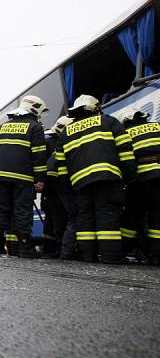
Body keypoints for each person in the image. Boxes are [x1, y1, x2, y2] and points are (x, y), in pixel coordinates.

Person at [55, 95, 136, 264]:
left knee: (85, 219)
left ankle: (88, 256)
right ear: (95, 108)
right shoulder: (108, 121)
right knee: (106, 215)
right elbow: (126, 151)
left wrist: (68, 187)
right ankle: (110, 257)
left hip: (79, 184)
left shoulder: (65, 133)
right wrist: (128, 176)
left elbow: (61, 166)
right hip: (107, 178)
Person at [0, 95, 49, 258]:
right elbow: (38, 156)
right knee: (22, 211)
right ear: (35, 109)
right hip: (23, 178)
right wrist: (41, 178)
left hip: (0, 178)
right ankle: (24, 248)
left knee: (3, 211)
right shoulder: (35, 127)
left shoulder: (2, 127)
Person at [120, 107, 159, 264]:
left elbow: (124, 159)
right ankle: (156, 255)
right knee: (157, 216)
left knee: (132, 216)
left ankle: (123, 250)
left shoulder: (126, 134)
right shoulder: (157, 126)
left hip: (139, 180)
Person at [42, 116, 76, 258]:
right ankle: (60, 248)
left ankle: (50, 249)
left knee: (52, 216)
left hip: (48, 184)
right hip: (56, 182)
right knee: (61, 215)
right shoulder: (54, 141)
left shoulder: (47, 138)